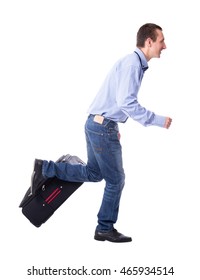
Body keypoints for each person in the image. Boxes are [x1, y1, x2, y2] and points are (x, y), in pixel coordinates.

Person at [31, 23, 172, 243]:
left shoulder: (131, 62)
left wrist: (112, 126)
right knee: (116, 180)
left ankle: (45, 168)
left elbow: (118, 101)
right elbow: (126, 102)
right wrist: (157, 120)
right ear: (149, 41)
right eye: (162, 40)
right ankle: (104, 228)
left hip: (97, 124)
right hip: (101, 126)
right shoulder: (132, 64)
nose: (165, 46)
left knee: (94, 173)